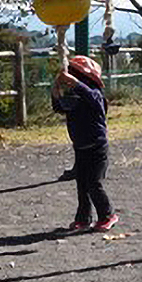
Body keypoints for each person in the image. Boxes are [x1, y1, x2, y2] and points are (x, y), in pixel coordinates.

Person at [51, 56, 119, 232]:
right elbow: (59, 107)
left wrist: (75, 83)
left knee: (93, 183)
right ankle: (83, 218)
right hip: (80, 147)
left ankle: (108, 215)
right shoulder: (75, 98)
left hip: (97, 147)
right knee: (82, 185)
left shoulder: (96, 96)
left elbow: (92, 97)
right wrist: (56, 89)